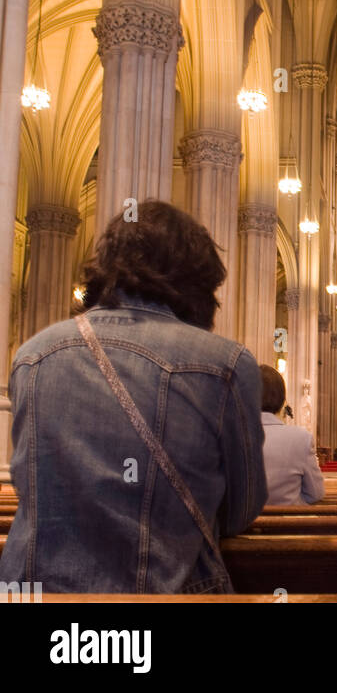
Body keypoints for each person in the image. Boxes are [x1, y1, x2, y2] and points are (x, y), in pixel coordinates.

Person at [0, 200, 267, 594]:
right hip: (165, 596)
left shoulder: (32, 356)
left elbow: (32, 488)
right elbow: (241, 511)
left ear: (105, 266)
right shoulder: (226, 365)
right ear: (200, 279)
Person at [258, 364, 325, 506]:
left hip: (242, 521)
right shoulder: (301, 438)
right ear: (283, 401)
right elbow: (316, 493)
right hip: (288, 519)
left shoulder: (230, 436)